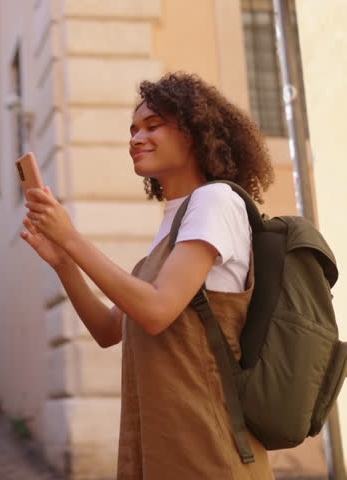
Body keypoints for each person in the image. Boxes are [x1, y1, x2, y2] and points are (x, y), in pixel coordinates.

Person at [21, 72, 276, 479]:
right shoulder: (175, 223)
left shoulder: (215, 201)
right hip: (162, 445)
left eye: (152, 125)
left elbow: (157, 310)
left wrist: (71, 237)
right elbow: (109, 330)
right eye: (133, 129)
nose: (135, 138)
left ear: (194, 133)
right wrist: (63, 261)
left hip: (208, 450)